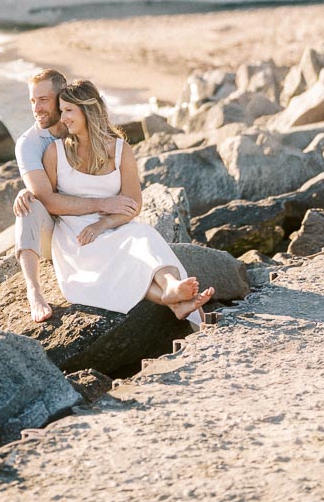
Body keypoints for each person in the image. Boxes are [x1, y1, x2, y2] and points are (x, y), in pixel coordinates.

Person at [42, 79, 213, 323]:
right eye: (61, 111)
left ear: (88, 110)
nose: (63, 118)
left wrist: (102, 224)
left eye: (68, 110)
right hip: (74, 236)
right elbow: (50, 202)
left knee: (143, 235)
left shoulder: (120, 150)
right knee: (125, 260)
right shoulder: (55, 152)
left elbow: (133, 204)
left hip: (113, 226)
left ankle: (173, 289)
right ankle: (175, 301)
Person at [14, 68, 140, 322]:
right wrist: (104, 203)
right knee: (27, 206)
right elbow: (46, 200)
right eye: (32, 100)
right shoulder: (29, 143)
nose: (36, 108)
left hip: (99, 224)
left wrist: (107, 218)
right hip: (58, 229)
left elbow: (128, 193)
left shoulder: (88, 132)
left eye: (43, 100)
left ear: (63, 99)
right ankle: (34, 291)